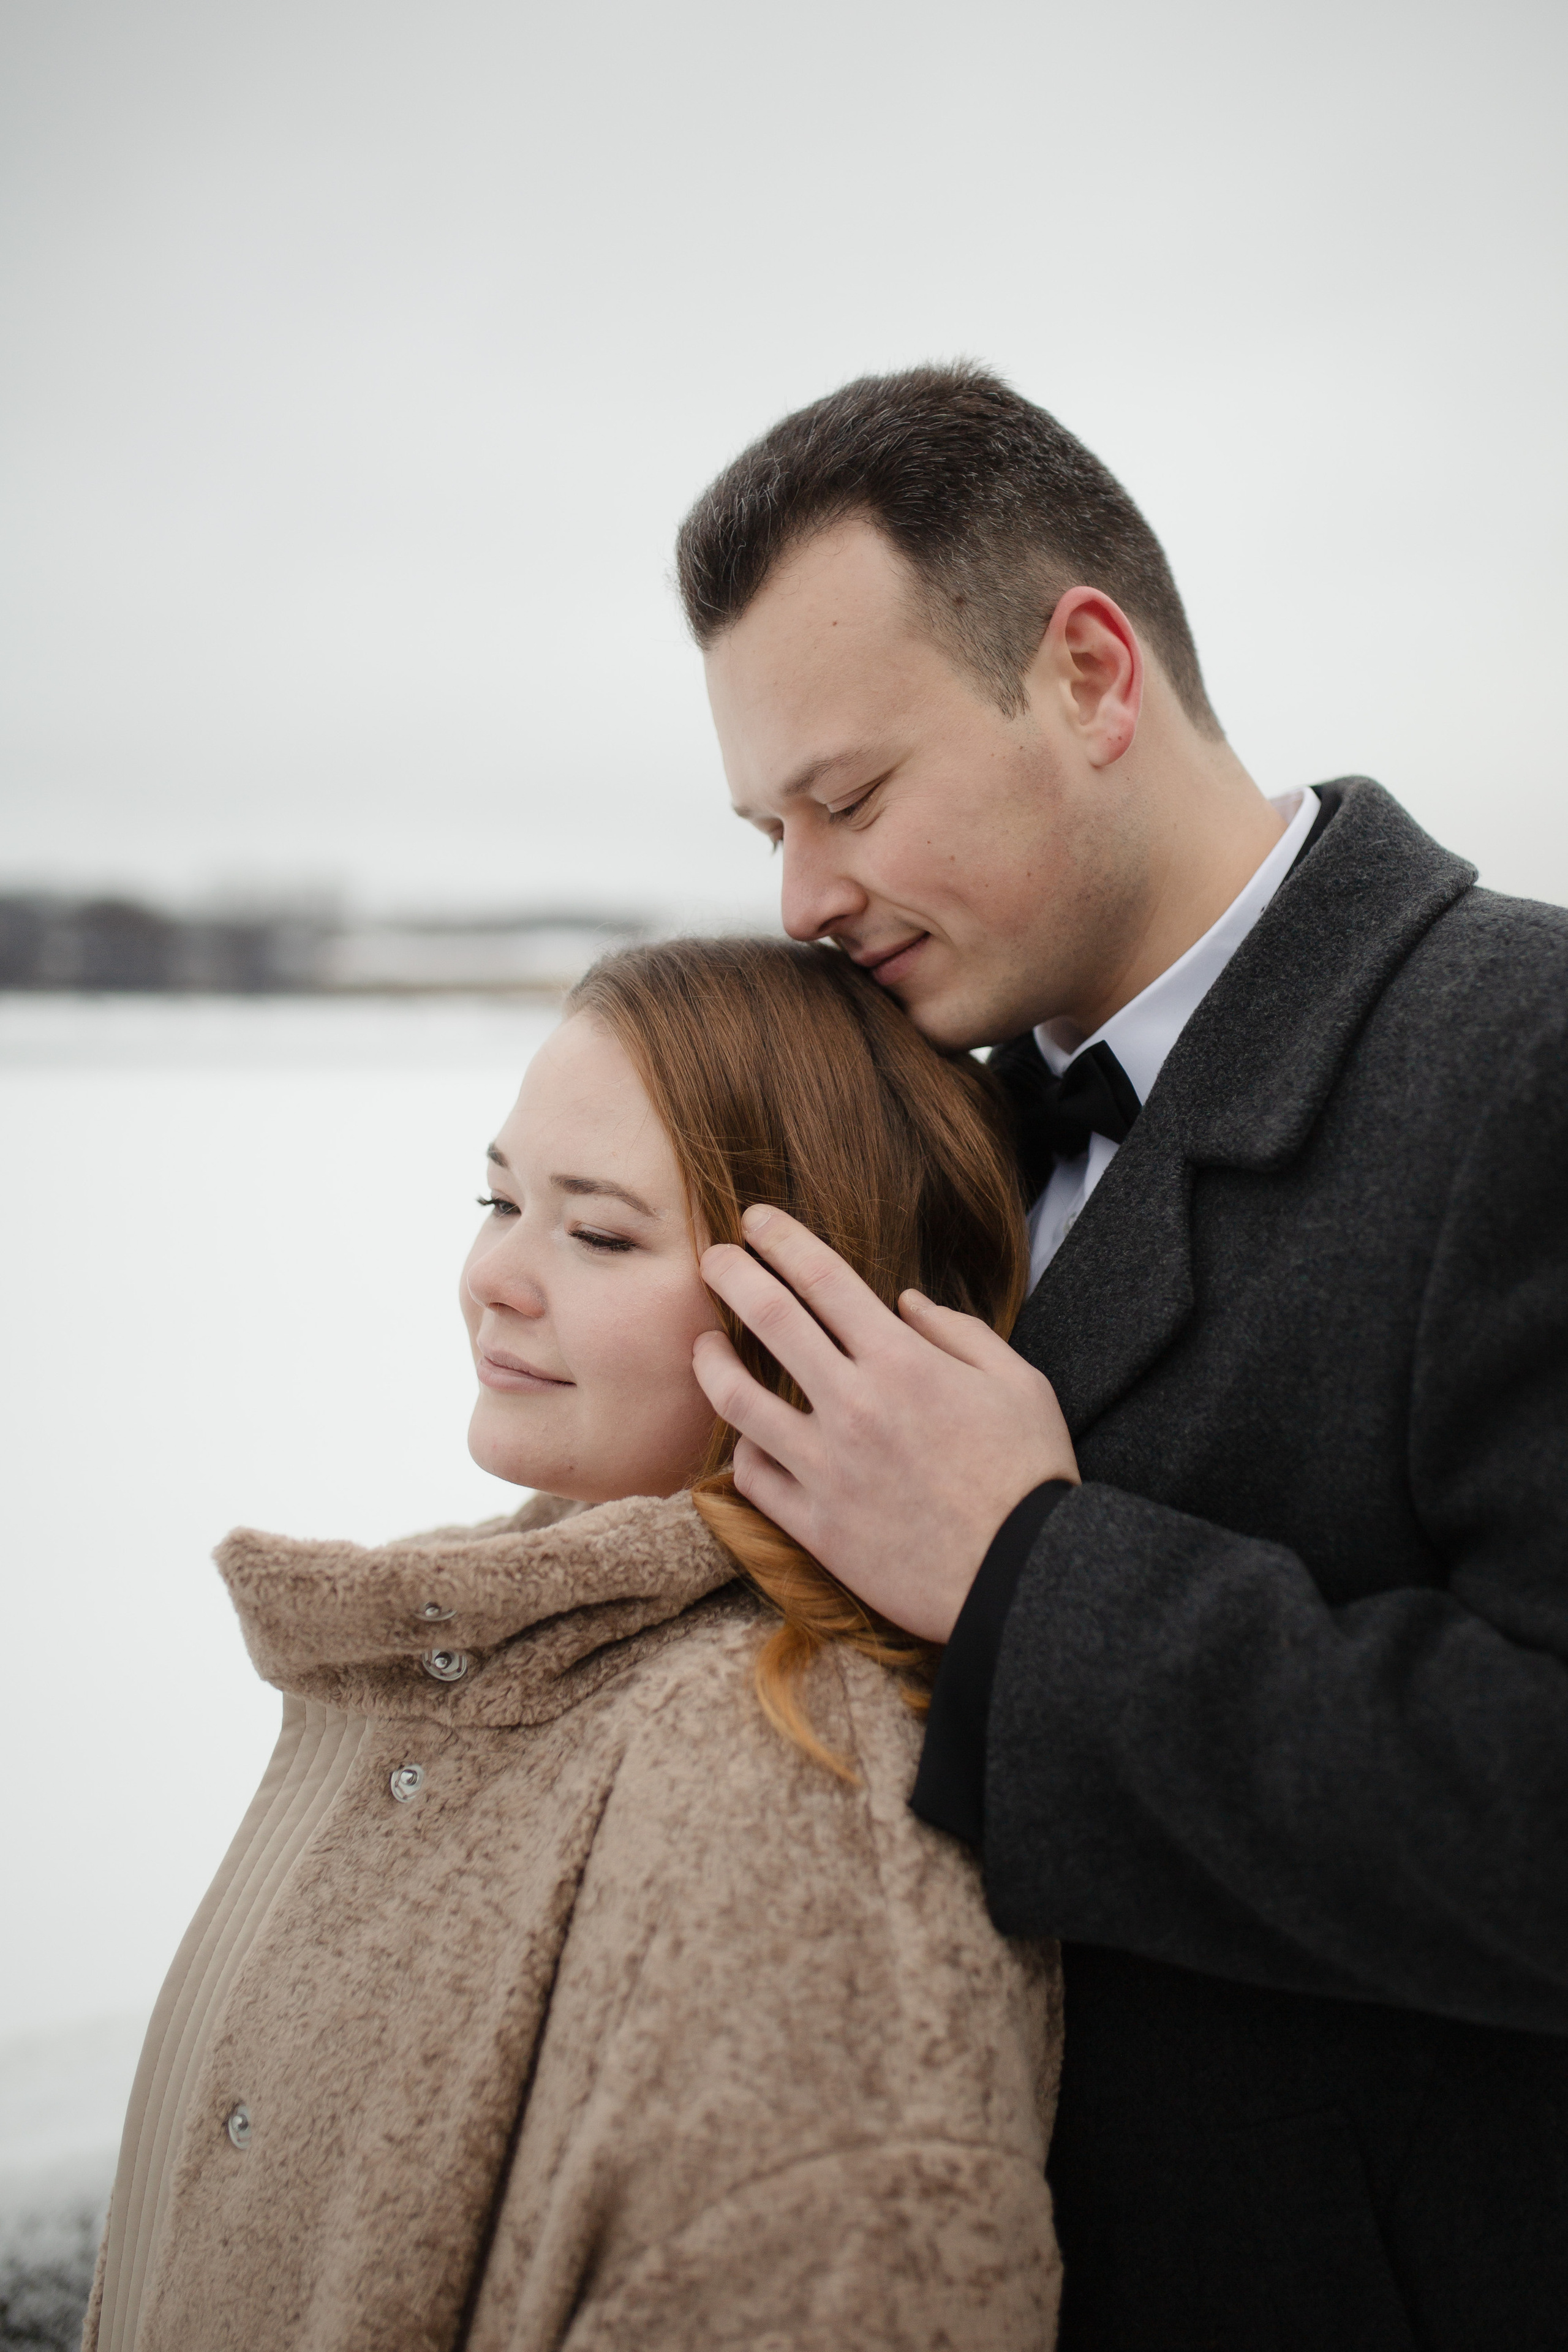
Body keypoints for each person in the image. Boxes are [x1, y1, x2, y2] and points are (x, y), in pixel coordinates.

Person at [676, 364, 1568, 2351]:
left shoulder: (1530, 1057)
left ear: (1090, 677)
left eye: (850, 797)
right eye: (770, 826)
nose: (803, 894)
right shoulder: (933, 1134)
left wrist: (1032, 1582)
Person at [86, 938, 1062, 2352]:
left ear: (821, 1310)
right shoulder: (527, 1651)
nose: (495, 1276)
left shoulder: (788, 1782)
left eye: (597, 1233)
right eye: (497, 1199)